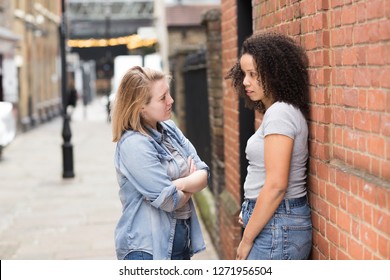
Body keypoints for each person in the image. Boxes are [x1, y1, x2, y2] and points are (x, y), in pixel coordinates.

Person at [226, 32, 312, 260]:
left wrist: (246, 240)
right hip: (275, 221)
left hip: (278, 224)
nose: (245, 81)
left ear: (274, 74)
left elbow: (276, 186)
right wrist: (252, 211)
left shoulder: (280, 114)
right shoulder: (279, 111)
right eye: (243, 74)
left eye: (253, 74)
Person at [111, 65, 209, 260]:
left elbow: (204, 174)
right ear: (140, 106)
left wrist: (178, 184)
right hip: (147, 249)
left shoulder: (170, 129)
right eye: (163, 97)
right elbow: (168, 200)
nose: (171, 101)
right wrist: (190, 181)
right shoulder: (134, 145)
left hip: (180, 242)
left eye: (169, 94)